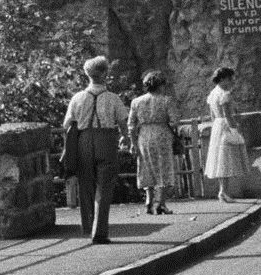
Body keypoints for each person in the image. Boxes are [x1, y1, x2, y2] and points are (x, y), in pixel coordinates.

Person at [63, 56, 129, 243]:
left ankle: (87, 225)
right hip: (106, 139)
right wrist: (125, 137)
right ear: (105, 74)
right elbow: (123, 122)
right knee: (104, 186)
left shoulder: (77, 98)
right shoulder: (113, 98)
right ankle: (99, 231)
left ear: (87, 74)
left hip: (83, 139)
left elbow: (67, 123)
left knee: (86, 184)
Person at [126, 71, 177, 216]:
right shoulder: (167, 100)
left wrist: (133, 143)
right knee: (163, 167)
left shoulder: (136, 102)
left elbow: (131, 124)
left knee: (145, 166)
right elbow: (174, 121)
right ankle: (160, 203)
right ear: (160, 85)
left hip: (144, 135)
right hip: (162, 133)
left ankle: (148, 200)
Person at [204, 66, 250, 202]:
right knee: (226, 160)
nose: (231, 81)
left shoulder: (212, 94)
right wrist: (234, 130)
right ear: (222, 79)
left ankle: (222, 191)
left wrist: (216, 127)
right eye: (229, 78)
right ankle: (223, 192)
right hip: (225, 125)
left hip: (217, 126)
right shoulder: (224, 94)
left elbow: (212, 115)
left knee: (220, 160)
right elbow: (228, 115)